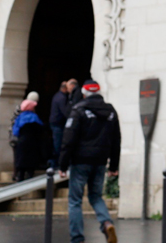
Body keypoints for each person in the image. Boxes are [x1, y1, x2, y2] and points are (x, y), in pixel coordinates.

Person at [59, 80, 120, 243]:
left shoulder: (79, 110)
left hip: (80, 161)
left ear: (84, 93)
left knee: (75, 201)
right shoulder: (110, 111)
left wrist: (62, 164)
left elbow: (68, 139)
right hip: (100, 161)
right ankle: (106, 223)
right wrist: (114, 165)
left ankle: (77, 238)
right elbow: (116, 140)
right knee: (96, 196)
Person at [12, 98, 48, 181]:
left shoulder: (20, 117)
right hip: (32, 143)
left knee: (21, 162)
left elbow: (15, 130)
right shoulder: (34, 117)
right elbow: (40, 129)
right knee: (30, 164)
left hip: (21, 141)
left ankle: (20, 177)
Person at [50, 80, 78, 168]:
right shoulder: (61, 98)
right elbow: (65, 112)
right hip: (58, 124)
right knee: (58, 144)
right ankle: (57, 164)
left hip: (57, 124)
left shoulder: (58, 96)